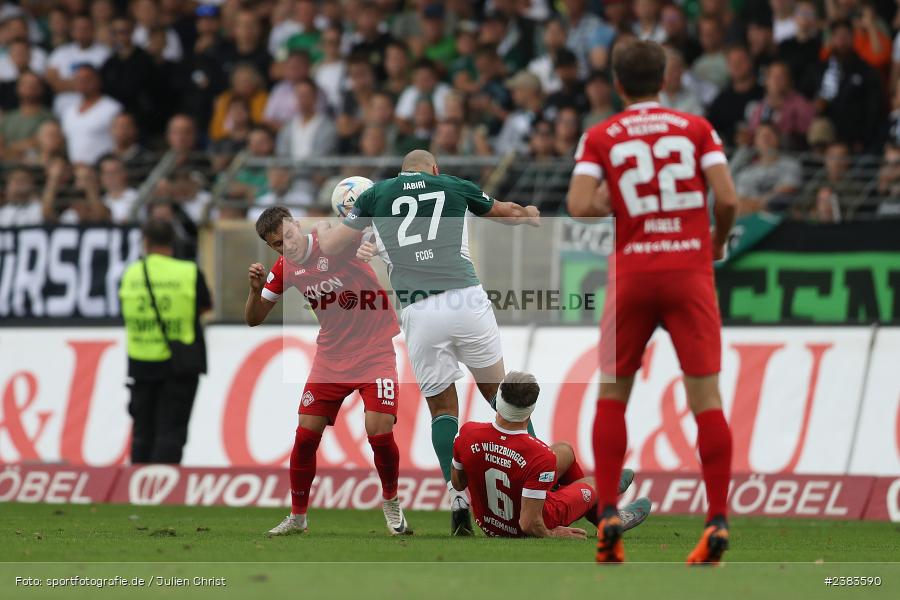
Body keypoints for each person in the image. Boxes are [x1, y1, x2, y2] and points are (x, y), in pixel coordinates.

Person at [566, 40, 739, 564]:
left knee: (612, 395)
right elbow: (727, 198)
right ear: (664, 79)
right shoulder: (695, 128)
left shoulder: (601, 135)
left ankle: (610, 515)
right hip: (689, 270)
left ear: (618, 84)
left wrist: (615, 200)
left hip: (634, 273)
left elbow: (577, 204)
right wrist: (718, 241)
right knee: (707, 401)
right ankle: (716, 521)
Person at [316, 149, 539, 536]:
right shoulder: (453, 185)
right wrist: (531, 214)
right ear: (434, 170)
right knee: (504, 400)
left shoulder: (376, 195)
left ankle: (458, 499)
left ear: (400, 172)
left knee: (442, 411)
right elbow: (505, 212)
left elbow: (334, 247)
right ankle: (541, 487)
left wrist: (353, 228)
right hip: (466, 299)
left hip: (419, 311)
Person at [245, 206, 410, 537]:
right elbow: (254, 318)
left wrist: (371, 243)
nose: (286, 246)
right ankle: (298, 517)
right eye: (277, 244)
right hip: (331, 357)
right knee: (305, 436)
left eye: (288, 235)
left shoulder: (332, 241)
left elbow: (374, 234)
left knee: (378, 431)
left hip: (374, 350)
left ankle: (391, 501)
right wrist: (255, 289)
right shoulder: (285, 268)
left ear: (296, 224)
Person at [451, 371, 652, 539]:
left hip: (488, 522)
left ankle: (602, 517)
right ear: (530, 411)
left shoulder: (467, 433)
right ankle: (608, 509)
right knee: (597, 482)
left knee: (564, 450)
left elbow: (458, 484)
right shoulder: (539, 454)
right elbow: (528, 523)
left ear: (498, 401)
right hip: (524, 525)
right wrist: (552, 534)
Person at [119, 218, 212, 464]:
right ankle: (163, 493)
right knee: (171, 431)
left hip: (140, 362)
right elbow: (205, 307)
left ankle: (136, 490)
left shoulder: (131, 273)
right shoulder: (188, 272)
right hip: (178, 363)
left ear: (145, 242)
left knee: (142, 432)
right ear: (172, 241)